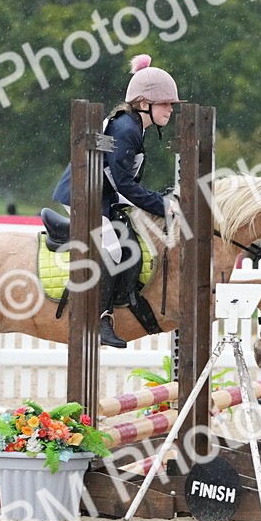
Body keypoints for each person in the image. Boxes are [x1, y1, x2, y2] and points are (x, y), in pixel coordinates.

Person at [52, 54, 184, 348]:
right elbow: (122, 183)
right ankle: (98, 318)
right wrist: (162, 205)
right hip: (84, 198)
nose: (170, 110)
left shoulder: (132, 126)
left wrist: (160, 200)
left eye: (171, 105)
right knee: (118, 250)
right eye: (165, 104)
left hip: (99, 195)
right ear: (143, 103)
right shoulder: (126, 129)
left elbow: (123, 182)